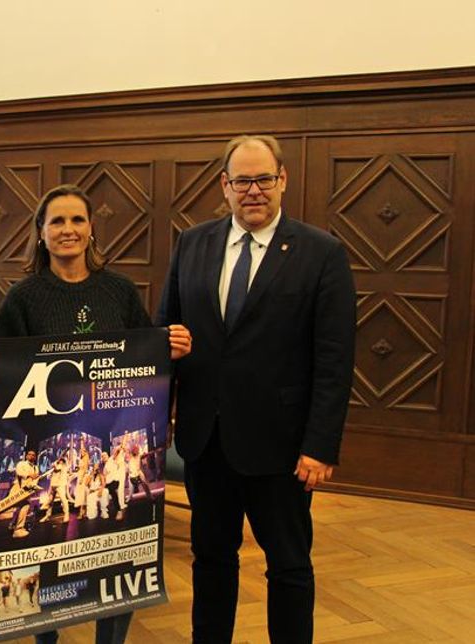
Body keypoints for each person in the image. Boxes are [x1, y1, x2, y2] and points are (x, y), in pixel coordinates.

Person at [155, 134, 356, 643]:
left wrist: (320, 445)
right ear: (224, 185)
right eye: (242, 181)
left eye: (264, 179)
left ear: (282, 180)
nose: (253, 191)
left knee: (289, 565)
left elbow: (334, 361)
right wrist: (160, 397)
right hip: (206, 440)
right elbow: (166, 332)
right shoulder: (192, 243)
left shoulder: (322, 253)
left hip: (282, 447)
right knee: (211, 559)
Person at [0, 184, 192, 644]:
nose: (68, 229)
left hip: (113, 435)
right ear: (41, 233)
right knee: (48, 560)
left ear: (91, 229)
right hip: (52, 436)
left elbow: (146, 360)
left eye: (77, 220)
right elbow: (6, 378)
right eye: (57, 221)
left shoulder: (119, 291)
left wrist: (170, 348)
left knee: (118, 560)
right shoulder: (22, 297)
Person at [10, 449, 41, 538]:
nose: (31, 456)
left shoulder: (36, 468)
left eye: (33, 455)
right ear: (27, 456)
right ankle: (18, 529)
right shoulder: (21, 464)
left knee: (20, 508)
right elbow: (19, 472)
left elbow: (35, 480)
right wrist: (29, 475)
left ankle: (13, 524)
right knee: (24, 506)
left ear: (35, 457)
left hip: (28, 491)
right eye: (29, 454)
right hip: (18, 489)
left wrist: (35, 485)